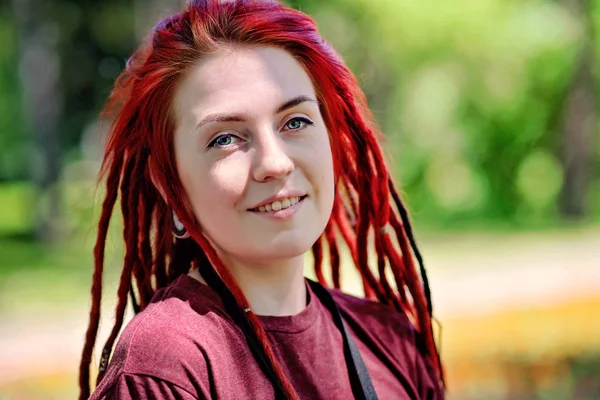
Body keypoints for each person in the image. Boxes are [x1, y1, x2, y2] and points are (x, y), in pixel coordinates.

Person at [79, 0, 445, 399]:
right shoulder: (166, 367)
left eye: (295, 122)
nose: (274, 162)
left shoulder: (388, 342)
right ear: (171, 185)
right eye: (225, 139)